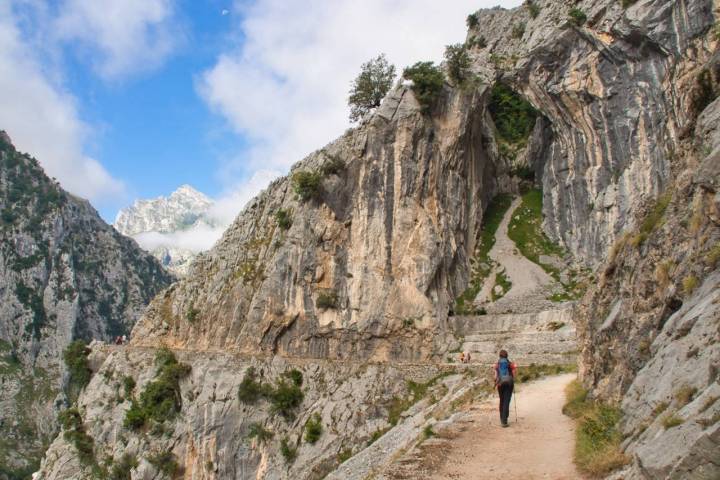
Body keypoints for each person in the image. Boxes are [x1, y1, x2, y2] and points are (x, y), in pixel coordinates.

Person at [494, 349, 517, 427]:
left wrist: (496, 382)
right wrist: (512, 380)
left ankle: (501, 418)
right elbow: (514, 374)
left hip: (500, 384)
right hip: (509, 384)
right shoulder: (510, 364)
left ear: (500, 356)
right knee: (507, 401)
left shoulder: (497, 364)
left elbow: (495, 375)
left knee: (502, 400)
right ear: (507, 356)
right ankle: (504, 420)